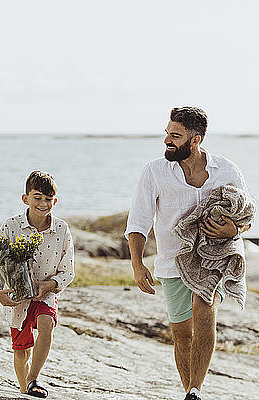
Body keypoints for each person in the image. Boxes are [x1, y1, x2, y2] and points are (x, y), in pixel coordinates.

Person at [125, 106, 251, 400]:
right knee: (182, 336)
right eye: (167, 133)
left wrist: (233, 231)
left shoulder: (228, 170)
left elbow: (247, 216)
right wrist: (137, 263)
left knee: (204, 309)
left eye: (175, 136)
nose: (167, 140)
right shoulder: (154, 171)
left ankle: (195, 390)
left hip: (214, 256)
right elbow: (139, 221)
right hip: (172, 261)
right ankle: (189, 393)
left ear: (195, 140)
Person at [0, 170, 75, 398]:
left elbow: (68, 271)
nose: (43, 204)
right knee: (21, 352)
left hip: (46, 294)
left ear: (55, 201)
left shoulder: (62, 230)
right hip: (17, 299)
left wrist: (50, 285)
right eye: (37, 197)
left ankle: (33, 379)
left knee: (47, 323)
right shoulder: (11, 226)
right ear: (25, 198)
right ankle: (24, 388)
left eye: (48, 199)